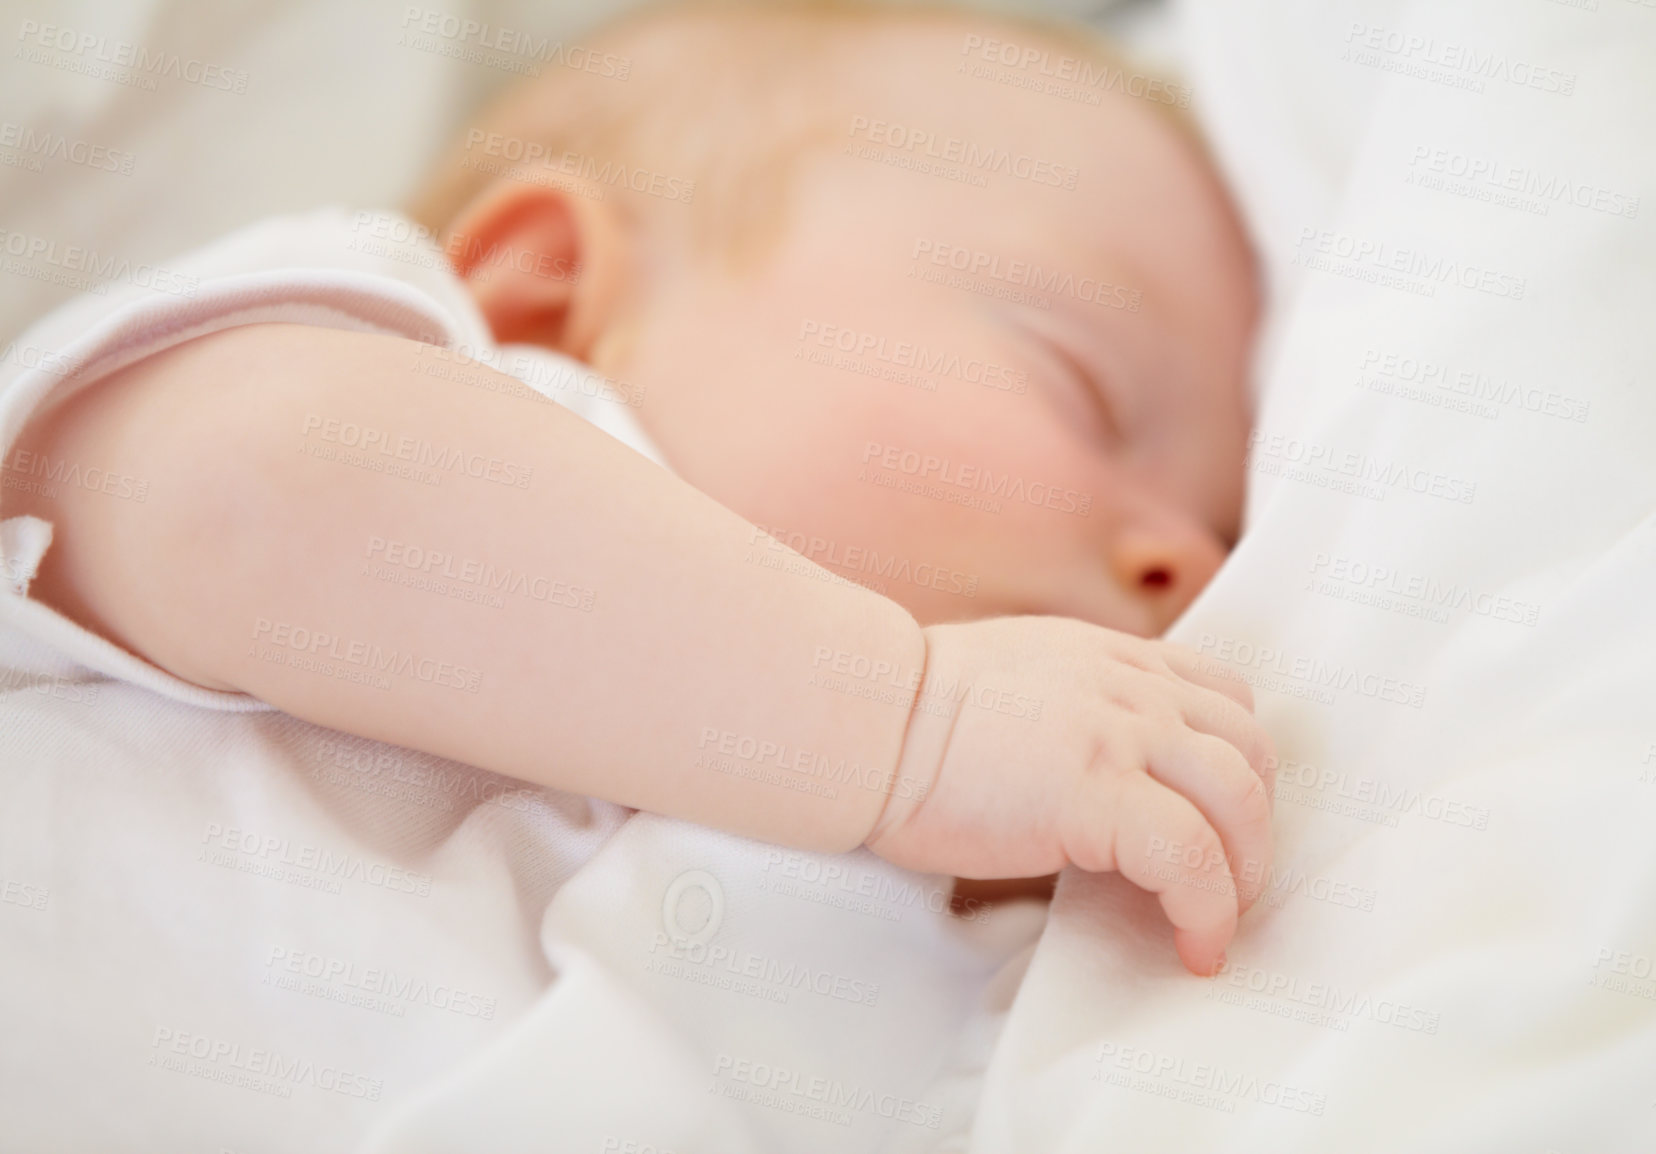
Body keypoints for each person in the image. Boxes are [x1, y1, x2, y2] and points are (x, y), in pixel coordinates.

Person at [0, 0, 1270, 975]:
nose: (1193, 563)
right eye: (1085, 388)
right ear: (549, 293)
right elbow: (248, 490)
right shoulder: (403, 372)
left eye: (1226, 523)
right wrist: (909, 721)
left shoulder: (943, 933)